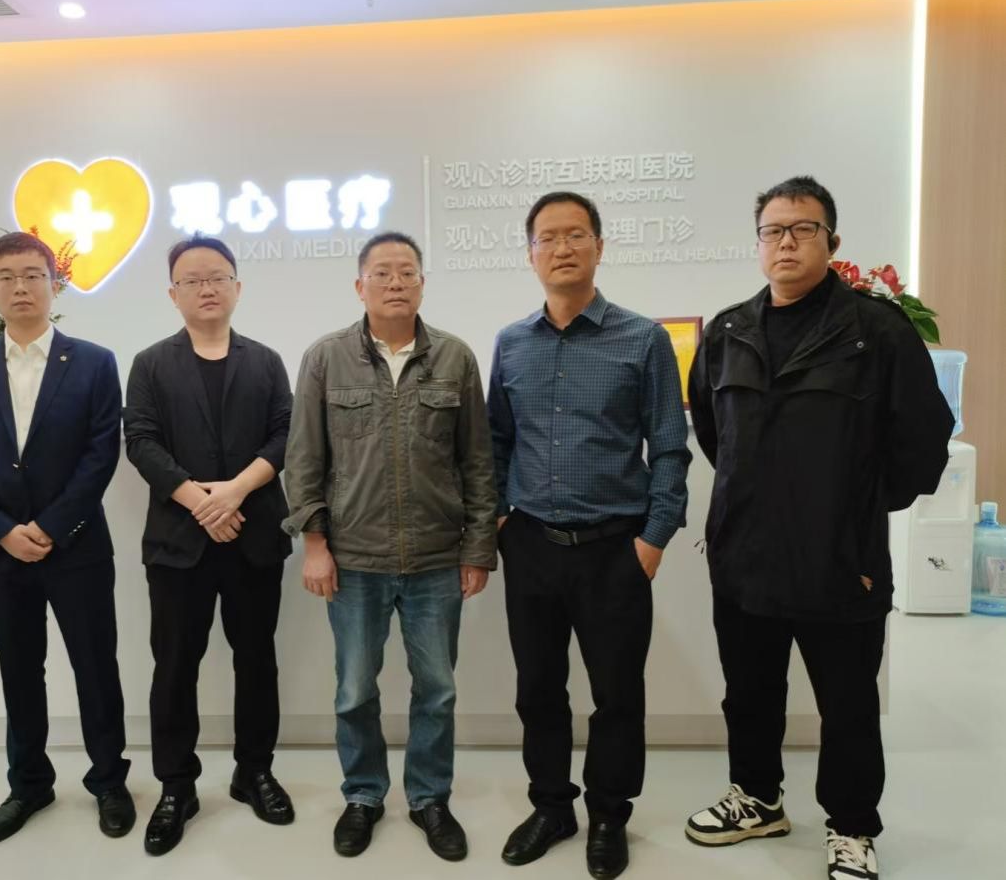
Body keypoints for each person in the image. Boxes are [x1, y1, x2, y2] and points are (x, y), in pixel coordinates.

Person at [684, 176, 953, 880]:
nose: (787, 242)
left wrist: (858, 504)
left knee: (848, 704)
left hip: (841, 559)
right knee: (749, 693)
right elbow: (713, 431)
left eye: (803, 228)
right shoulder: (729, 332)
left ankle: (852, 826)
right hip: (745, 555)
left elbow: (925, 436)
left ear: (831, 241)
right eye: (773, 230)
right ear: (758, 244)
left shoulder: (876, 331)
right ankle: (757, 797)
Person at [489, 191, 691, 879]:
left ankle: (609, 814)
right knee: (538, 689)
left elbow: (670, 445)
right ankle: (552, 806)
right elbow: (496, 441)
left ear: (600, 247)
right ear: (530, 254)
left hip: (615, 549)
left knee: (617, 694)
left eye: (576, 234)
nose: (562, 248)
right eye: (547, 237)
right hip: (532, 547)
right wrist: (500, 518)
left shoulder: (643, 339)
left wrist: (654, 538)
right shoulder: (512, 343)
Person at [282, 231, 497, 862]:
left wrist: (477, 548)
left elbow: (477, 461)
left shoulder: (455, 358)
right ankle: (363, 796)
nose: (395, 282)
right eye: (382, 273)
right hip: (353, 560)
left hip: (436, 558)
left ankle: (430, 798)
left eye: (407, 272)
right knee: (355, 689)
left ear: (423, 284)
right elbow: (304, 460)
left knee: (438, 690)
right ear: (360, 286)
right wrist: (315, 544)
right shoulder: (326, 358)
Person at [0, 231, 133, 845]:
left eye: (32, 275)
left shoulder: (95, 362)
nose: (20, 287)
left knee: (95, 668)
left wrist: (50, 526)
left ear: (55, 284)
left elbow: (100, 455)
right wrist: (1, 531)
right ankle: (28, 784)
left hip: (77, 548)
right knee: (19, 671)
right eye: (6, 277)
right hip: (0, 555)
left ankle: (108, 781)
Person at [124, 236, 295, 856]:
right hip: (179, 543)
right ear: (173, 294)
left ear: (237, 287)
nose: (206, 288)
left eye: (218, 277)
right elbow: (141, 442)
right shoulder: (151, 363)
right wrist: (202, 503)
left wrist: (236, 492)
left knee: (257, 660)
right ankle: (177, 787)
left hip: (253, 537)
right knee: (175, 666)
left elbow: (285, 434)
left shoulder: (266, 361)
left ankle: (254, 772)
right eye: (192, 280)